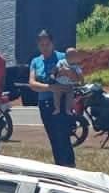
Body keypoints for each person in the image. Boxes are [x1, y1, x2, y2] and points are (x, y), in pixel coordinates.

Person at [27, 30, 75, 167]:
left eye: (47, 44)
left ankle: (70, 166)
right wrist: (50, 87)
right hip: (45, 104)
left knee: (63, 137)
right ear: (38, 46)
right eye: (42, 45)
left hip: (62, 101)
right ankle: (59, 166)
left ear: (52, 44)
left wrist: (69, 73)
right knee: (53, 138)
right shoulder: (35, 61)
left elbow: (77, 76)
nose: (45, 47)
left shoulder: (62, 57)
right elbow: (32, 83)